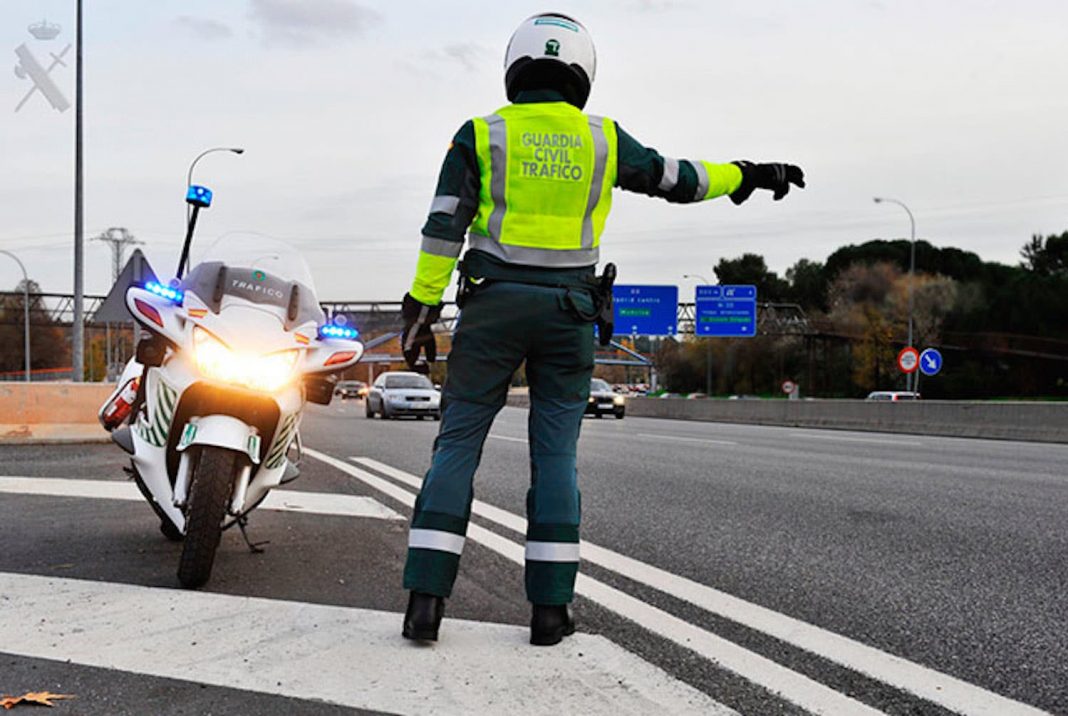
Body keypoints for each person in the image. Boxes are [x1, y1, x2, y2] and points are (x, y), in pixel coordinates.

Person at [399, 12, 804, 646]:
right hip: (569, 315)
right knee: (555, 458)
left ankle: (425, 602)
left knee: (456, 446)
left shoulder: (481, 134)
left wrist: (421, 311)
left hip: (492, 309)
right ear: (582, 72)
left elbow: (444, 225)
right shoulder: (603, 139)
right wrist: (747, 174)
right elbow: (678, 178)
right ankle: (550, 611)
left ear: (515, 68)